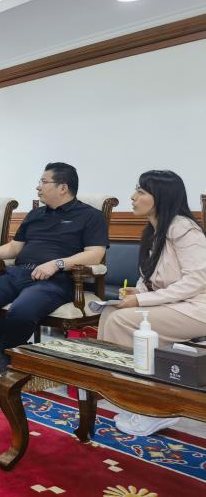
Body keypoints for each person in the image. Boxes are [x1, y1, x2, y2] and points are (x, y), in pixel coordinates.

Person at [0, 162, 109, 378]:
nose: (38, 186)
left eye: (43, 182)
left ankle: (5, 355)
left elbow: (95, 254)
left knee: (20, 311)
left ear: (63, 187)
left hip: (55, 280)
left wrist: (57, 264)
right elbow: (15, 247)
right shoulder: (35, 214)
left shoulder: (90, 216)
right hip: (18, 273)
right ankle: (15, 347)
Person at [99, 170, 206, 436]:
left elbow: (196, 280)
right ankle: (127, 393)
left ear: (161, 197)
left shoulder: (184, 229)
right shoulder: (154, 231)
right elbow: (153, 277)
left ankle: (151, 406)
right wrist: (137, 291)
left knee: (123, 321)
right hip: (175, 304)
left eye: (140, 192)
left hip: (197, 308)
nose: (133, 197)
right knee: (110, 312)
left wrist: (141, 299)